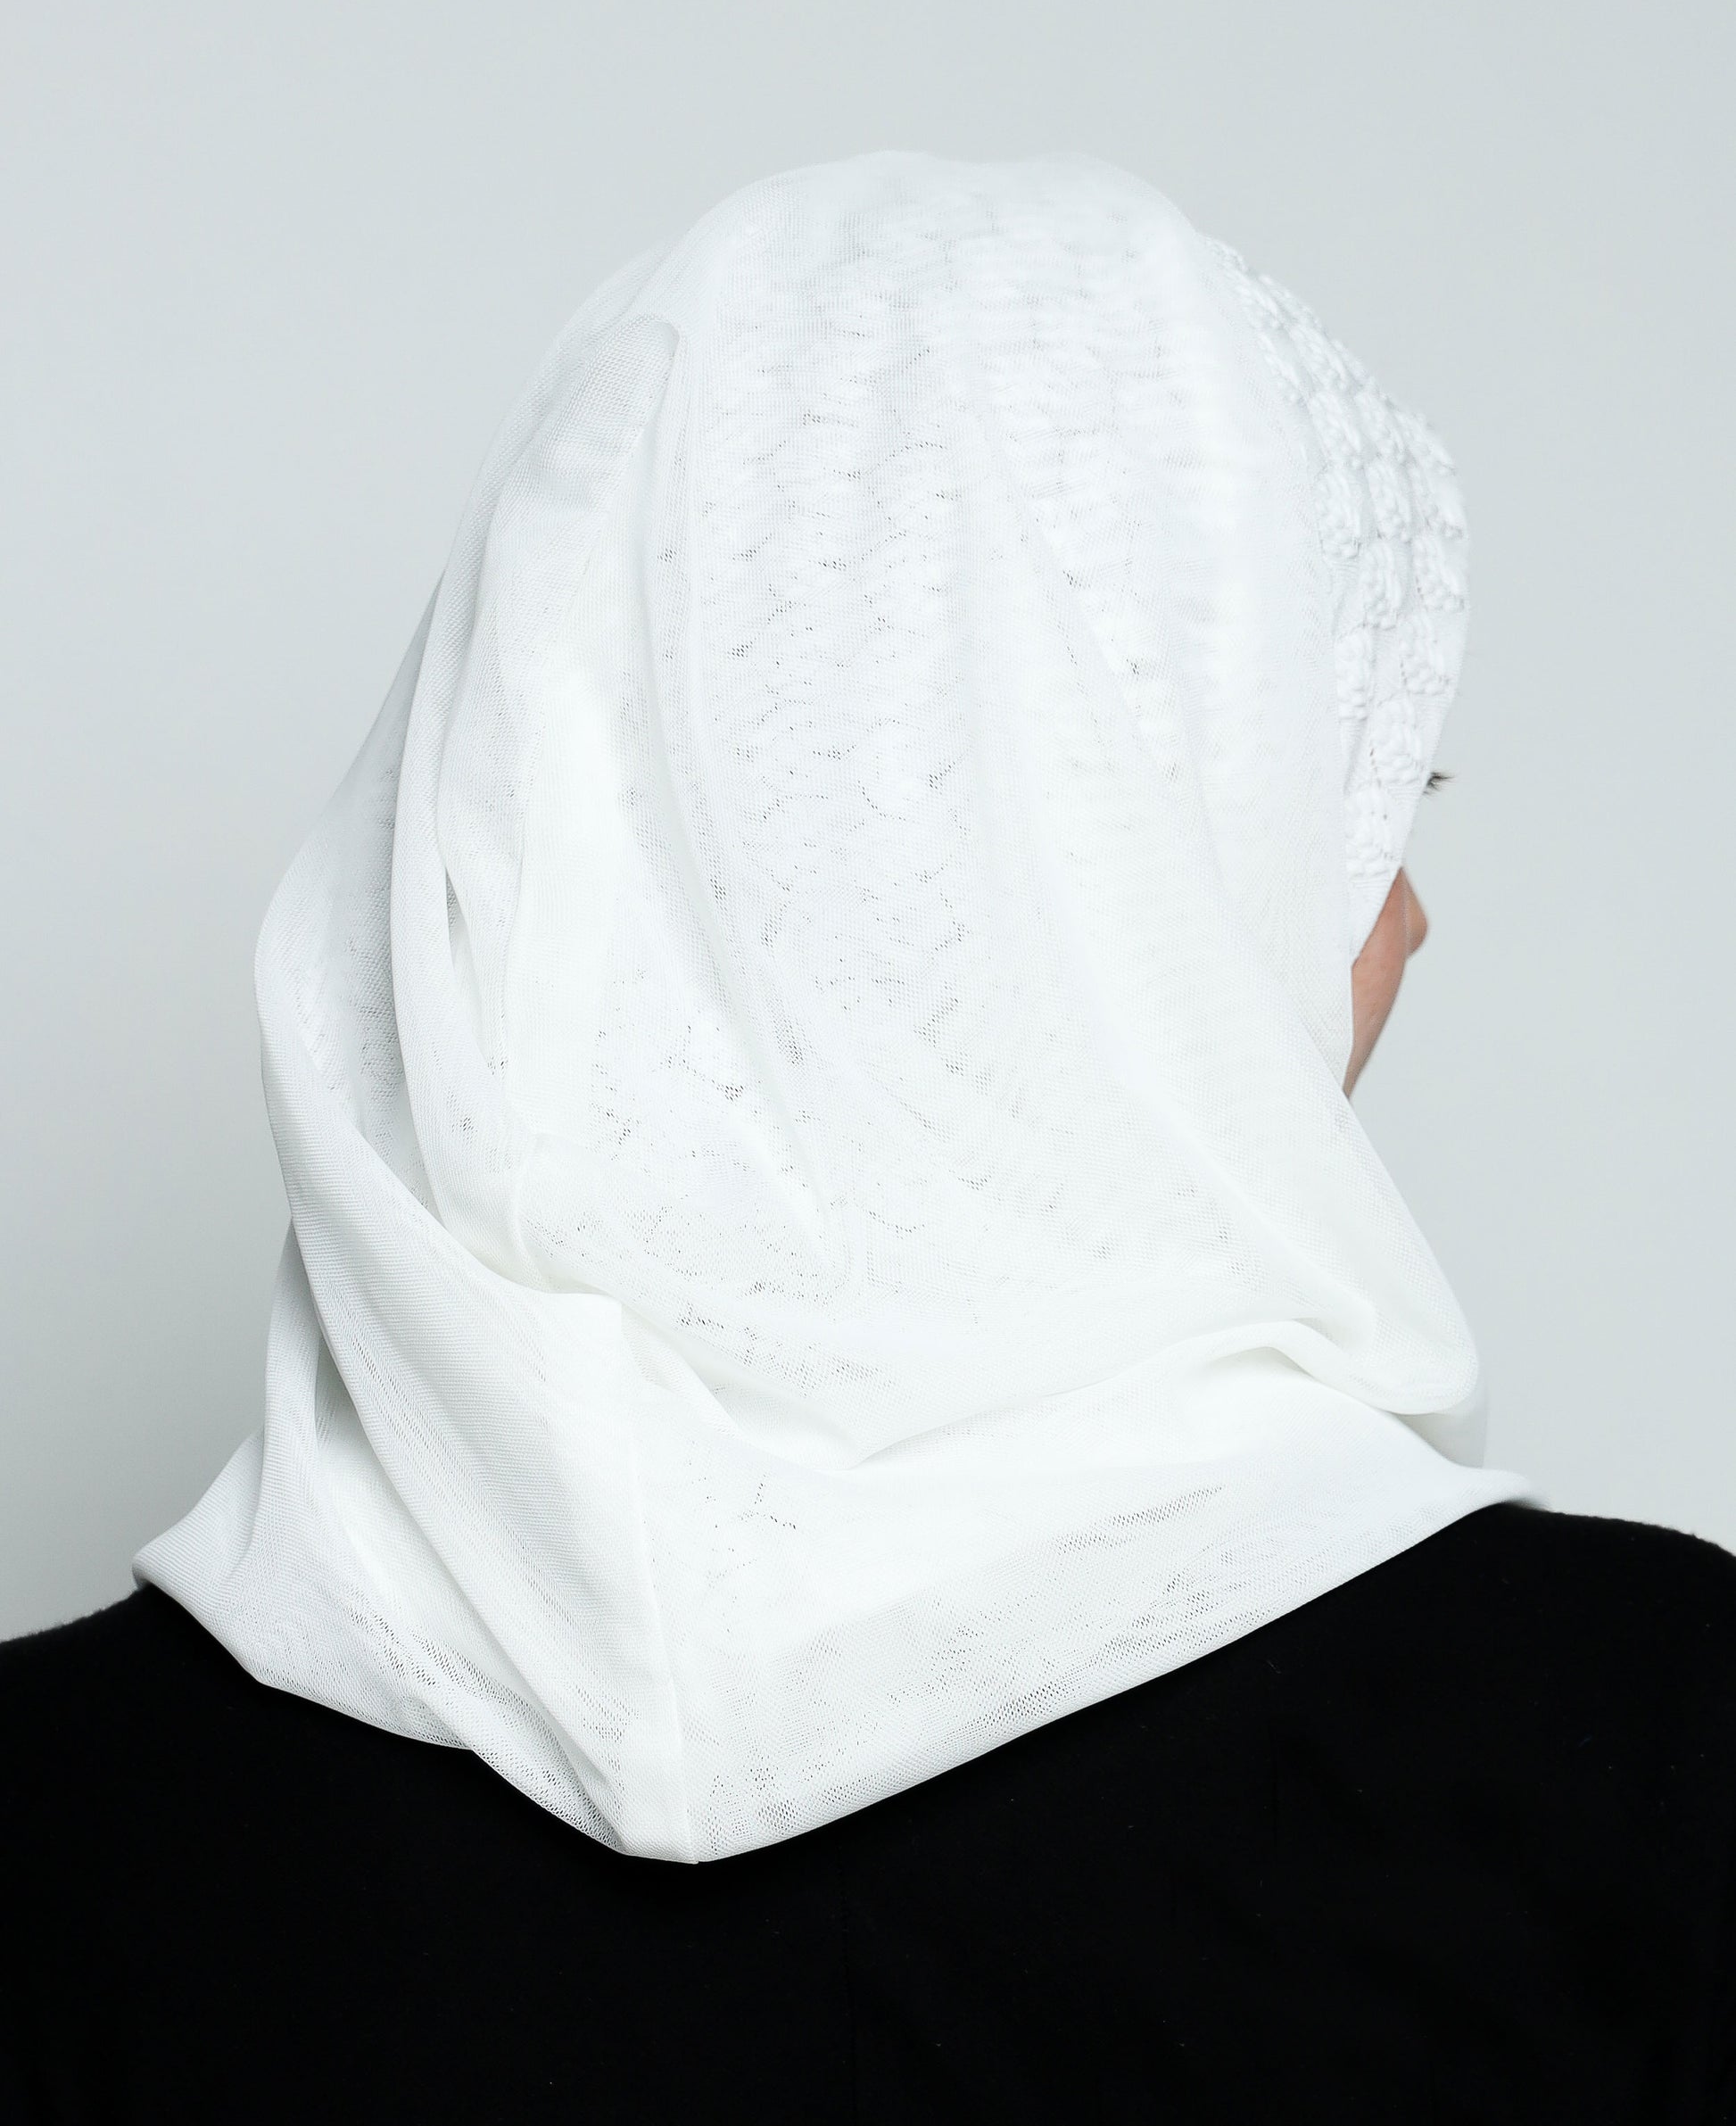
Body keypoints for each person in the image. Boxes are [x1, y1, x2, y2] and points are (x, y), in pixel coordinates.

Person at [4, 153, 1732, 2122]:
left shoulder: (49, 1836)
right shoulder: (1652, 1766)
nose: (1403, 922)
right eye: (1357, 806)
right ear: (1116, 884)